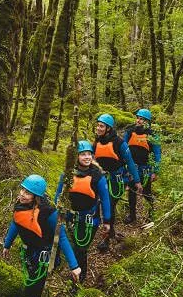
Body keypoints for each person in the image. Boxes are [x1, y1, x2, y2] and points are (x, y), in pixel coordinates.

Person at [2, 175, 81, 297]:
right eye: (22, 190)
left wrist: (74, 266)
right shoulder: (20, 206)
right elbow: (15, 223)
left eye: (27, 193)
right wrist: (7, 245)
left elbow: (61, 237)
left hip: (45, 257)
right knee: (32, 285)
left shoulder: (48, 213)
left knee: (38, 287)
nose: (22, 194)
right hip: (29, 253)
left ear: (36, 196)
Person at [54, 141, 112, 283]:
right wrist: (56, 212)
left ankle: (79, 279)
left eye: (89, 154)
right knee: (71, 245)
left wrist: (107, 221)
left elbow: (105, 199)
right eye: (83, 154)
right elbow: (59, 194)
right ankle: (69, 269)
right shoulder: (68, 173)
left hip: (89, 220)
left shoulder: (98, 176)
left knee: (81, 249)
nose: (87, 157)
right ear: (76, 157)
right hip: (70, 217)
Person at [93, 114, 142, 250]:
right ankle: (110, 232)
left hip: (116, 180)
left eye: (101, 126)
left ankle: (107, 239)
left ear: (108, 128)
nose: (98, 128)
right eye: (98, 125)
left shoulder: (120, 143)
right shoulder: (96, 142)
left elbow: (130, 162)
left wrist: (137, 181)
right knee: (99, 205)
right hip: (101, 179)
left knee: (109, 206)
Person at [123, 108, 161, 223]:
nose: (139, 121)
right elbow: (123, 149)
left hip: (145, 168)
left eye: (142, 119)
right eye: (138, 118)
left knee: (146, 192)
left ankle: (151, 214)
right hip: (131, 167)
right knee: (132, 192)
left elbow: (157, 153)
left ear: (147, 122)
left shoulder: (152, 135)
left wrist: (156, 171)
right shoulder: (129, 132)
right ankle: (132, 216)